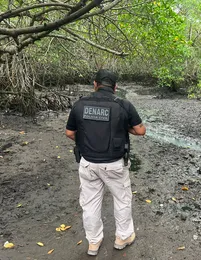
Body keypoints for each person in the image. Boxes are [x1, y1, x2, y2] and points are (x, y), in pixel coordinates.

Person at [65, 69, 146, 256]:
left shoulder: (80, 105)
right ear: (116, 87)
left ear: (95, 84)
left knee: (90, 203)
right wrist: (126, 128)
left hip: (88, 164)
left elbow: (70, 133)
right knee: (122, 200)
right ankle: (123, 237)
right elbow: (141, 130)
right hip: (115, 164)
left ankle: (93, 243)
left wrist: (84, 141)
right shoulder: (124, 105)